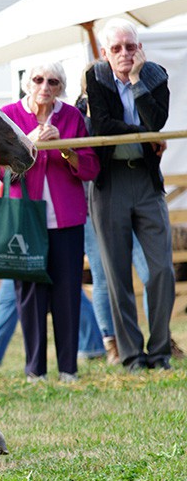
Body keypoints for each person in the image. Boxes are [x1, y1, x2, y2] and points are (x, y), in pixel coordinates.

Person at [0, 61, 99, 383]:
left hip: (66, 220)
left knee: (68, 294)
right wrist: (27, 143)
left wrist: (65, 148)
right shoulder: (9, 115)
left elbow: (90, 168)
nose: (45, 87)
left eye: (53, 82)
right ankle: (35, 371)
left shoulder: (72, 117)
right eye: (38, 80)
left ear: (61, 88)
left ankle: (68, 369)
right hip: (25, 220)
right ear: (27, 83)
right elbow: (0, 171)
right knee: (30, 296)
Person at [86, 18, 174, 372]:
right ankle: (132, 355)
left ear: (140, 48)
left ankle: (160, 351)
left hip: (146, 181)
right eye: (117, 48)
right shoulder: (96, 76)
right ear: (104, 53)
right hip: (110, 182)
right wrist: (142, 133)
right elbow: (102, 125)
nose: (125, 53)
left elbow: (158, 122)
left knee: (162, 270)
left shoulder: (155, 75)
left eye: (131, 46)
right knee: (116, 273)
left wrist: (137, 81)